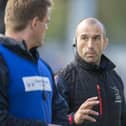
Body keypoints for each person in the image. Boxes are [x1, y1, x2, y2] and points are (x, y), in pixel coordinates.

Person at [0, 0, 71, 126]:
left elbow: (60, 114)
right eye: (46, 22)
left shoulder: (44, 68)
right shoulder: (3, 60)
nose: (46, 28)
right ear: (35, 23)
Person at [56, 18, 126, 126]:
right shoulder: (63, 79)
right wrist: (74, 119)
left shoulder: (115, 78)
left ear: (105, 42)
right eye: (84, 38)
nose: (90, 45)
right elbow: (52, 121)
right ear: (75, 42)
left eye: (96, 38)